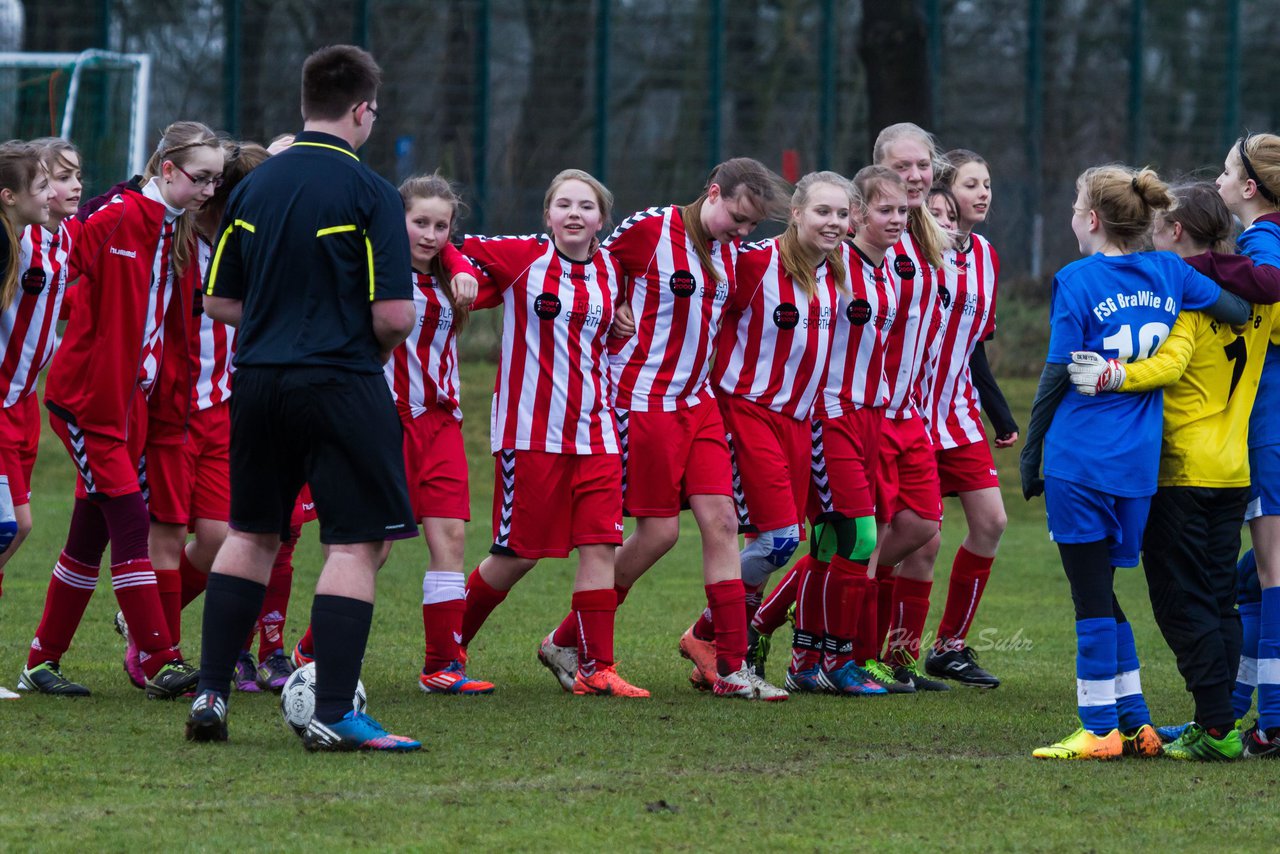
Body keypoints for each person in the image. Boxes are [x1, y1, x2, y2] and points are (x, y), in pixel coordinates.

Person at [186, 45, 423, 751]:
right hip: (340, 381)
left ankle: (210, 694)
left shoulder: (254, 189)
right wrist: (350, 343)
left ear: (303, 104)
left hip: (257, 381)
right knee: (353, 542)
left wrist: (277, 322)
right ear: (364, 110)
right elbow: (395, 316)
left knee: (251, 534)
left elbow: (220, 299)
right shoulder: (372, 193)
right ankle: (333, 710)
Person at [535, 157, 791, 701]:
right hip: (643, 399)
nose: (744, 232)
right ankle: (566, 640)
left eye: (753, 226)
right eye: (739, 218)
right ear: (713, 192)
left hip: (698, 404)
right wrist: (618, 302)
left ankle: (731, 665)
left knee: (722, 521)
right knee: (659, 534)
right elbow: (590, 270)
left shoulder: (732, 254)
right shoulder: (652, 228)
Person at [1020, 165, 1249, 760]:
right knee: (1105, 592)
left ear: (1092, 219)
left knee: (1090, 599)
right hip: (1140, 466)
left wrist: (1031, 450)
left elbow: (1055, 373)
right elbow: (1231, 307)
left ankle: (1097, 730)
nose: (1073, 218)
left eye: (1075, 208)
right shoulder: (1171, 271)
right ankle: (1135, 722)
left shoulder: (1075, 279)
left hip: (1080, 457)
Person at [1068, 181, 1280, 760]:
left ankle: (1216, 729)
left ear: (1176, 231)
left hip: (1182, 469)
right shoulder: (1260, 303)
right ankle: (1223, 722)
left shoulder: (1187, 297)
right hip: (1234, 471)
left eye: (1160, 227)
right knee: (1217, 600)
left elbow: (1171, 362)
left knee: (1180, 603)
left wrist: (1114, 374)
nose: (1152, 237)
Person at [23, 123, 220, 699]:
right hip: (87, 403)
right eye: (200, 177)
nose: (209, 189)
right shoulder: (115, 217)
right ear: (166, 171)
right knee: (132, 522)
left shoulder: (176, 231)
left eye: (215, 179)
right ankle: (160, 658)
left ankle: (41, 663)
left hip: (128, 408)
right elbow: (58, 259)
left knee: (88, 537)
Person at [456, 169, 648, 698]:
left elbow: (606, 343)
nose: (573, 214)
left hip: (598, 432)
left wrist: (621, 321)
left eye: (586, 207)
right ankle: (450, 646)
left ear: (601, 220)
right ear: (547, 216)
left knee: (600, 546)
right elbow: (453, 245)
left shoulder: (612, 271)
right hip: (530, 433)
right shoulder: (522, 258)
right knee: (517, 553)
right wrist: (461, 276)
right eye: (563, 204)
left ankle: (597, 665)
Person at [701, 171, 847, 699]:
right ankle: (712, 641)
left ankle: (714, 647)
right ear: (797, 214)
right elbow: (702, 308)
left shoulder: (839, 272)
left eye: (842, 214)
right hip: (747, 411)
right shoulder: (753, 262)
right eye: (823, 212)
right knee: (779, 539)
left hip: (800, 422)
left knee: (774, 544)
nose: (834, 223)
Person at [785, 165, 908, 696]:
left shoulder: (887, 271)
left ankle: (807, 661)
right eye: (886, 209)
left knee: (834, 539)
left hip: (871, 418)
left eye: (905, 210)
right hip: (830, 413)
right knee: (859, 536)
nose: (898, 219)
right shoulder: (829, 266)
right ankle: (836, 662)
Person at [910, 150, 1018, 688]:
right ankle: (883, 649)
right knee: (918, 539)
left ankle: (949, 645)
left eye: (988, 183)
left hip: (958, 415)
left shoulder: (986, 257)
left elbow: (972, 347)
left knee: (992, 522)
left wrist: (998, 413)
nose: (983, 193)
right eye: (971, 184)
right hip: (908, 414)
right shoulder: (911, 252)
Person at [389, 173, 493, 695]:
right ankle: (309, 651)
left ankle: (441, 666)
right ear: (398, 220)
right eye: (419, 222)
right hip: (387, 422)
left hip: (443, 421)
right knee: (374, 548)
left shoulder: (460, 278)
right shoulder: (376, 269)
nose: (430, 234)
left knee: (450, 537)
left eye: (441, 226)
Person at [868, 122, 953, 691]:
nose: (917, 177)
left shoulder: (931, 233)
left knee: (924, 530)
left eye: (923, 165)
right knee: (861, 542)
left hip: (911, 413)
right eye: (903, 168)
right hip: (864, 411)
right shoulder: (864, 230)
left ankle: (895, 660)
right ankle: (820, 638)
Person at [1216, 133, 1280, 757]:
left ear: (1250, 187)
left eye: (1226, 170)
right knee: (1250, 582)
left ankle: (1274, 720)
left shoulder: (1262, 240)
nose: (1218, 180)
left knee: (1270, 573)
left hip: (1269, 430)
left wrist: (1197, 265)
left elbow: (1269, 283)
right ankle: (1238, 715)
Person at [0, 140, 56, 700]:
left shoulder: (23, 241)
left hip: (20, 404)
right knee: (7, 527)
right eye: (42, 186)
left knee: (16, 526)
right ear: (9, 197)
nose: (54, 194)